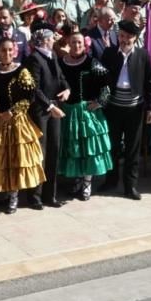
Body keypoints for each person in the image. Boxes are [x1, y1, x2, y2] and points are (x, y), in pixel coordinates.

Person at [0, 37, 46, 214]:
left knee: (17, 159)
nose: (7, 53)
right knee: (2, 159)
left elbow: (30, 96)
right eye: (3, 50)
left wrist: (12, 111)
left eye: (10, 50)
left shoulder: (22, 71)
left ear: (16, 51)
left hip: (17, 120)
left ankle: (14, 197)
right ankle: (6, 193)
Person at [99, 20, 151, 200]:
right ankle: (111, 180)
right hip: (114, 108)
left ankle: (130, 186)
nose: (124, 40)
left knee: (132, 148)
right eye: (121, 36)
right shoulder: (109, 54)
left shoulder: (143, 55)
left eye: (128, 37)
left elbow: (150, 83)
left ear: (135, 38)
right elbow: (100, 79)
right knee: (113, 146)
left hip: (134, 110)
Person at [57, 30, 113, 201]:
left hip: (86, 112)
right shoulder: (61, 63)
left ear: (85, 44)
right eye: (73, 42)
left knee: (89, 148)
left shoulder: (91, 63)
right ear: (68, 44)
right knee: (74, 149)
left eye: (80, 42)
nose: (76, 46)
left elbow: (107, 82)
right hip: (67, 111)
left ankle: (87, 182)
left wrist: (100, 101)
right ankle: (78, 179)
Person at [23, 22, 71, 208]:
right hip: (41, 111)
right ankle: (35, 195)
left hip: (54, 108)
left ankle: (50, 194)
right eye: (51, 38)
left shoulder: (53, 57)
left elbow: (61, 78)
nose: (54, 40)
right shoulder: (34, 59)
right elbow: (34, 89)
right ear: (43, 41)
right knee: (40, 152)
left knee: (54, 149)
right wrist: (50, 107)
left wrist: (66, 89)